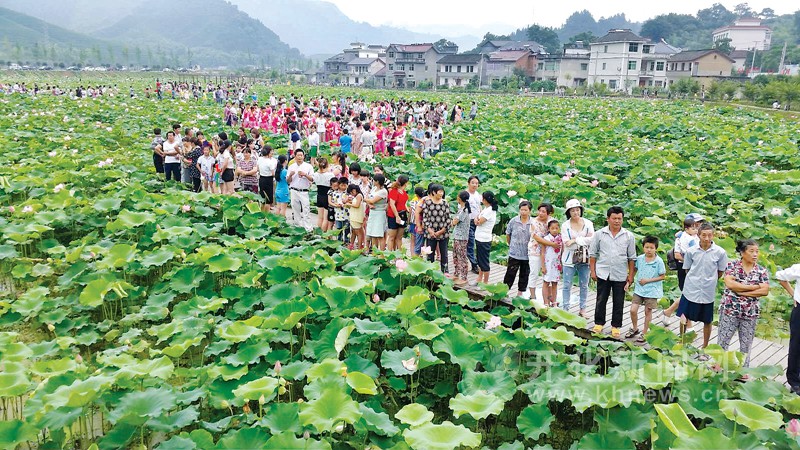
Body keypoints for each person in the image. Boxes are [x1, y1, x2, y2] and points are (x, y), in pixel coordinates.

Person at [675, 223, 729, 355]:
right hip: (691, 288)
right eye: (703, 235)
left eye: (709, 235)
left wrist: (710, 280)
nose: (706, 238)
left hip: (707, 290)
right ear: (698, 235)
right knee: (684, 315)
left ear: (713, 235)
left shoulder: (720, 252)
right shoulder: (691, 251)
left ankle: (705, 345)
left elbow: (720, 271)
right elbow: (687, 269)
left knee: (707, 320)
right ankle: (681, 340)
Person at [717, 239, 770, 367]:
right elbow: (729, 284)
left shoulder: (761, 271)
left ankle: (743, 370)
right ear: (742, 253)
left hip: (750, 312)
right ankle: (717, 365)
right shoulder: (732, 266)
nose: (755, 254)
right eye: (751, 251)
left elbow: (765, 290)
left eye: (757, 251)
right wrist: (753, 287)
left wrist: (741, 291)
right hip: (730, 309)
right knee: (723, 339)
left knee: (746, 342)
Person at [590, 206, 636, 338]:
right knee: (601, 299)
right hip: (603, 271)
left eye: (619, 218)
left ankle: (616, 326)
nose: (617, 221)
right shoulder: (599, 234)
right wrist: (592, 271)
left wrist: (631, 276)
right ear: (608, 219)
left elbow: (631, 258)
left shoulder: (629, 236)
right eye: (614, 218)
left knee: (619, 301)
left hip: (620, 273)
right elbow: (593, 254)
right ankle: (599, 323)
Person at [627, 236, 666, 343]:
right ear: (643, 247)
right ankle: (635, 328)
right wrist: (629, 281)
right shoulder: (639, 259)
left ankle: (644, 333)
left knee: (647, 312)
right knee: (633, 310)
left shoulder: (659, 261)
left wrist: (647, 280)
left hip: (652, 290)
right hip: (639, 289)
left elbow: (663, 276)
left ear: (656, 248)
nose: (649, 250)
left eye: (651, 248)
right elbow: (634, 270)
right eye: (647, 247)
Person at [663, 214, 702, 322]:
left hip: (696, 267)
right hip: (685, 267)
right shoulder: (683, 238)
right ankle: (687, 325)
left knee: (689, 294)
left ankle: (669, 311)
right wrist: (692, 262)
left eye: (699, 223)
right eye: (695, 224)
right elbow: (677, 255)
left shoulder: (698, 236)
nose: (698, 226)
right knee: (687, 295)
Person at [561, 199, 595, 317]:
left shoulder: (588, 223)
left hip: (585, 257)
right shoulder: (565, 226)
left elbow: (592, 239)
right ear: (568, 212)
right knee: (567, 284)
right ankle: (565, 308)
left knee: (584, 284)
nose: (576, 212)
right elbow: (566, 242)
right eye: (573, 211)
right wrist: (583, 240)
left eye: (577, 210)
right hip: (569, 257)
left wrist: (575, 240)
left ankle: (583, 309)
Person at [527, 202, 558, 302]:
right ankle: (532, 296)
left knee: (549, 274)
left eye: (543, 212)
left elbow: (556, 232)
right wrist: (551, 244)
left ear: (548, 213)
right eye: (539, 211)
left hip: (549, 252)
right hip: (535, 250)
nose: (540, 213)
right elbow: (537, 238)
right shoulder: (533, 222)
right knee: (534, 272)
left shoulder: (552, 221)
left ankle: (549, 297)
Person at [777, 262, 800, 394]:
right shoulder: (798, 268)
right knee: (796, 345)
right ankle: (794, 381)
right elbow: (780, 276)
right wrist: (793, 294)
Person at [504, 201, 533, 298]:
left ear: (530, 211)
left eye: (525, 210)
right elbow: (508, 234)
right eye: (521, 210)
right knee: (510, 273)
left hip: (527, 253)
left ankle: (520, 293)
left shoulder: (533, 223)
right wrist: (511, 245)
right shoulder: (514, 221)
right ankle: (505, 291)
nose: (523, 212)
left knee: (524, 274)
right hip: (514, 252)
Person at [422, 183, 450, 273]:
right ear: (434, 192)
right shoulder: (427, 203)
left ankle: (445, 272)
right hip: (431, 233)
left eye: (442, 191)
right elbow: (425, 218)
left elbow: (448, 219)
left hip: (443, 233)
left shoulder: (445, 203)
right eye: (439, 191)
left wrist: (441, 231)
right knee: (430, 254)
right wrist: (430, 230)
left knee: (444, 254)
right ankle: (430, 271)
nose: (441, 193)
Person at [471, 191, 498, 286]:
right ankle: (479, 279)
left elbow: (479, 221)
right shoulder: (486, 209)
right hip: (479, 238)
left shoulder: (490, 211)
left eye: (482, 198)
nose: (481, 200)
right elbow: (476, 218)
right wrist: (477, 219)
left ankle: (485, 283)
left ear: (486, 200)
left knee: (484, 261)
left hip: (484, 239)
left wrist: (477, 220)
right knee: (479, 259)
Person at [287, 149, 315, 232]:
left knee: (306, 209)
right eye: (298, 155)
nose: (300, 157)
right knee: (295, 209)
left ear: (304, 156)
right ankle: (298, 227)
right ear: (295, 156)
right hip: (294, 190)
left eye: (301, 155)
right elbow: (288, 181)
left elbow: (312, 179)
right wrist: (290, 175)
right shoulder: (291, 167)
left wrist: (305, 175)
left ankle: (308, 228)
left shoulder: (308, 166)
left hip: (304, 191)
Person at [541, 219, 563, 307]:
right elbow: (542, 253)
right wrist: (543, 266)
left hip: (556, 264)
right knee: (546, 282)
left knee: (555, 283)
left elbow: (562, 252)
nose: (554, 230)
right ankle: (546, 302)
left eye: (556, 228)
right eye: (552, 228)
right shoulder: (545, 239)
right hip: (548, 264)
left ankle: (554, 301)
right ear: (549, 229)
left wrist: (561, 263)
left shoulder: (561, 238)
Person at [451, 191, 471, 285]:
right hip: (457, 236)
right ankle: (456, 273)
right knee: (455, 255)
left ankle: (464, 277)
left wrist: (452, 221)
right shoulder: (461, 208)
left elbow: (455, 221)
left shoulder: (464, 211)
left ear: (460, 198)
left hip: (462, 237)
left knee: (462, 256)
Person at [364, 174, 388, 251]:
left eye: (374, 180)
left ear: (377, 181)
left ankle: (381, 253)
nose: (373, 181)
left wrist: (365, 200)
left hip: (379, 213)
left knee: (380, 235)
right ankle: (374, 253)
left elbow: (372, 200)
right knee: (373, 234)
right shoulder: (374, 189)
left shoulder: (383, 192)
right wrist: (369, 203)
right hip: (373, 212)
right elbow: (368, 198)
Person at [386, 175, 410, 252]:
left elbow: (404, 203)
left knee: (399, 237)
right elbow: (392, 204)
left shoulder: (404, 192)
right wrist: (397, 216)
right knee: (391, 237)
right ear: (405, 183)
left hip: (402, 215)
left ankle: (399, 256)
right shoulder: (394, 191)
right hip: (394, 216)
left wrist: (408, 210)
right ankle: (389, 256)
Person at [313, 158, 335, 231]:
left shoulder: (315, 174)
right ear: (327, 165)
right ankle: (323, 233)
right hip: (327, 196)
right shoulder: (330, 175)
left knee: (320, 217)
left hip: (319, 195)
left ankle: (319, 233)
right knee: (325, 218)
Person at [466, 176, 481, 274]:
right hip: (468, 221)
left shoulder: (478, 194)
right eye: (473, 183)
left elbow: (479, 206)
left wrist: (480, 216)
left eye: (476, 183)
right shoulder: (465, 194)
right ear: (468, 183)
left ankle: (476, 263)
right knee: (470, 244)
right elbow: (462, 209)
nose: (475, 185)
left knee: (478, 243)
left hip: (478, 222)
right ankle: (474, 264)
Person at [345, 184, 366, 250]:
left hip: (356, 217)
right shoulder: (356, 196)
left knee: (358, 233)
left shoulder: (359, 195)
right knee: (353, 232)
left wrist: (349, 204)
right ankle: (351, 245)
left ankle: (360, 247)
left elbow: (357, 205)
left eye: (351, 192)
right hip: (354, 216)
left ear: (354, 190)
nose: (351, 194)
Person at [257, 146, 277, 212]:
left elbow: (258, 169)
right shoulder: (270, 162)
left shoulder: (259, 159)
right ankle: (266, 215)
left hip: (261, 178)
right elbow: (273, 173)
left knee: (262, 198)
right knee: (268, 200)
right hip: (268, 180)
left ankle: (261, 213)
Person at [409, 186, 425, 257]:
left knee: (413, 241)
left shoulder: (413, 202)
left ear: (416, 194)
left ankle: (413, 256)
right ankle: (420, 255)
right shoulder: (425, 203)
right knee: (421, 242)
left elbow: (410, 213)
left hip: (413, 223)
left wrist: (408, 221)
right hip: (422, 224)